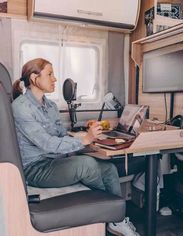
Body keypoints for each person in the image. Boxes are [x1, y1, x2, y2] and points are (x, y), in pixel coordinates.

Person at [12, 58, 140, 236]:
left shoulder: (50, 106)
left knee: (109, 169)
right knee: (87, 165)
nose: (55, 79)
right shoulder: (20, 108)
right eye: (50, 74)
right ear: (34, 78)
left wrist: (87, 136)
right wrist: (83, 140)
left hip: (56, 162)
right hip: (36, 168)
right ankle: (110, 213)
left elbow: (60, 135)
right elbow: (47, 143)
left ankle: (116, 221)